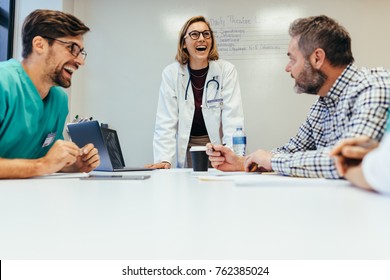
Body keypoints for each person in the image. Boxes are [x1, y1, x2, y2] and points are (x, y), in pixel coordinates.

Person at [206, 15, 390, 179]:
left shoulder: (373, 86)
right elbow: (291, 150)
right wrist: (243, 162)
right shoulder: (322, 105)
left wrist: (274, 161)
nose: (288, 68)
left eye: (293, 59)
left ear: (317, 58)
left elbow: (349, 160)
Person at [0, 9, 100, 179]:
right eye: (72, 48)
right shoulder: (4, 83)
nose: (80, 61)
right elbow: (42, 164)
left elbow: (42, 159)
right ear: (39, 44)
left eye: (81, 52)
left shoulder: (59, 101)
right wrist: (43, 165)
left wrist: (73, 165)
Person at [145, 16, 244, 169]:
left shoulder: (226, 71)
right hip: (188, 147)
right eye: (194, 34)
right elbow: (165, 122)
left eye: (206, 34)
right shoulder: (171, 73)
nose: (202, 39)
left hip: (217, 147)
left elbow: (233, 119)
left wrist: (232, 156)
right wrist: (164, 159)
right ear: (184, 43)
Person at [330, 111, 390, 194]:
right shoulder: (317, 108)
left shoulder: (371, 98)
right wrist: (379, 151)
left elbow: (382, 169)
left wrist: (348, 165)